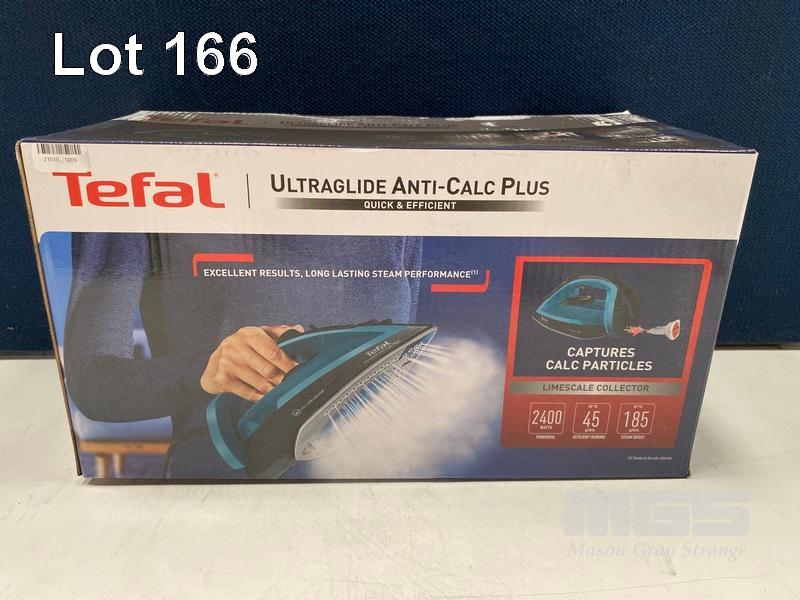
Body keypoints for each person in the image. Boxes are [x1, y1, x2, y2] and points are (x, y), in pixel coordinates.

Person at [64, 232, 422, 477]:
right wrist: (206, 371)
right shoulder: (139, 174)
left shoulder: (392, 182)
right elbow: (94, 383)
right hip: (224, 490)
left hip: (373, 487)